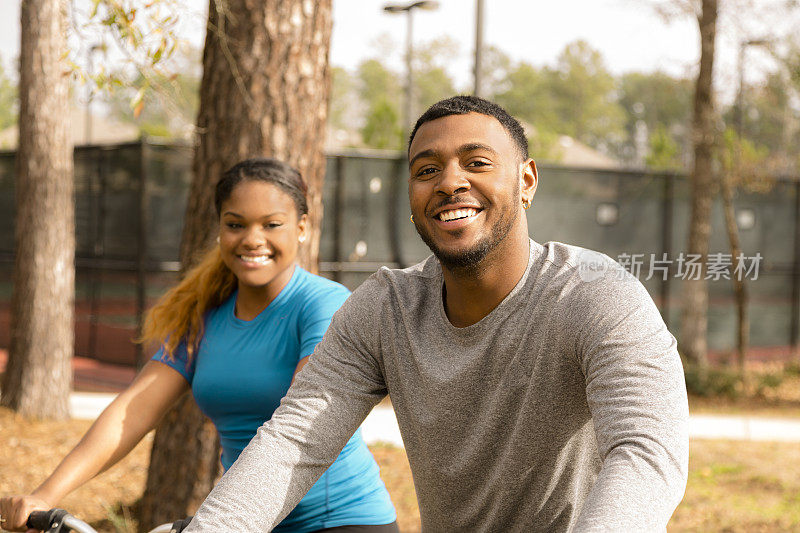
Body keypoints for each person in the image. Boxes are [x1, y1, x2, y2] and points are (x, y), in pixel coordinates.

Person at [182, 96, 690, 532]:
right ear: (412, 197)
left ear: (526, 180)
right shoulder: (385, 309)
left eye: (477, 162)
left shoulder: (596, 293)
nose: (450, 182)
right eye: (427, 170)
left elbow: (646, 453)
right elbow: (292, 442)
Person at [0, 158, 398, 533]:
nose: (252, 239)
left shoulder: (322, 304)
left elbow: (303, 430)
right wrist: (44, 496)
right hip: (242, 519)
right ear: (220, 229)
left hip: (338, 521)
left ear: (302, 227)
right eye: (236, 224)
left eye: (272, 224)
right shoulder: (203, 314)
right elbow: (132, 412)